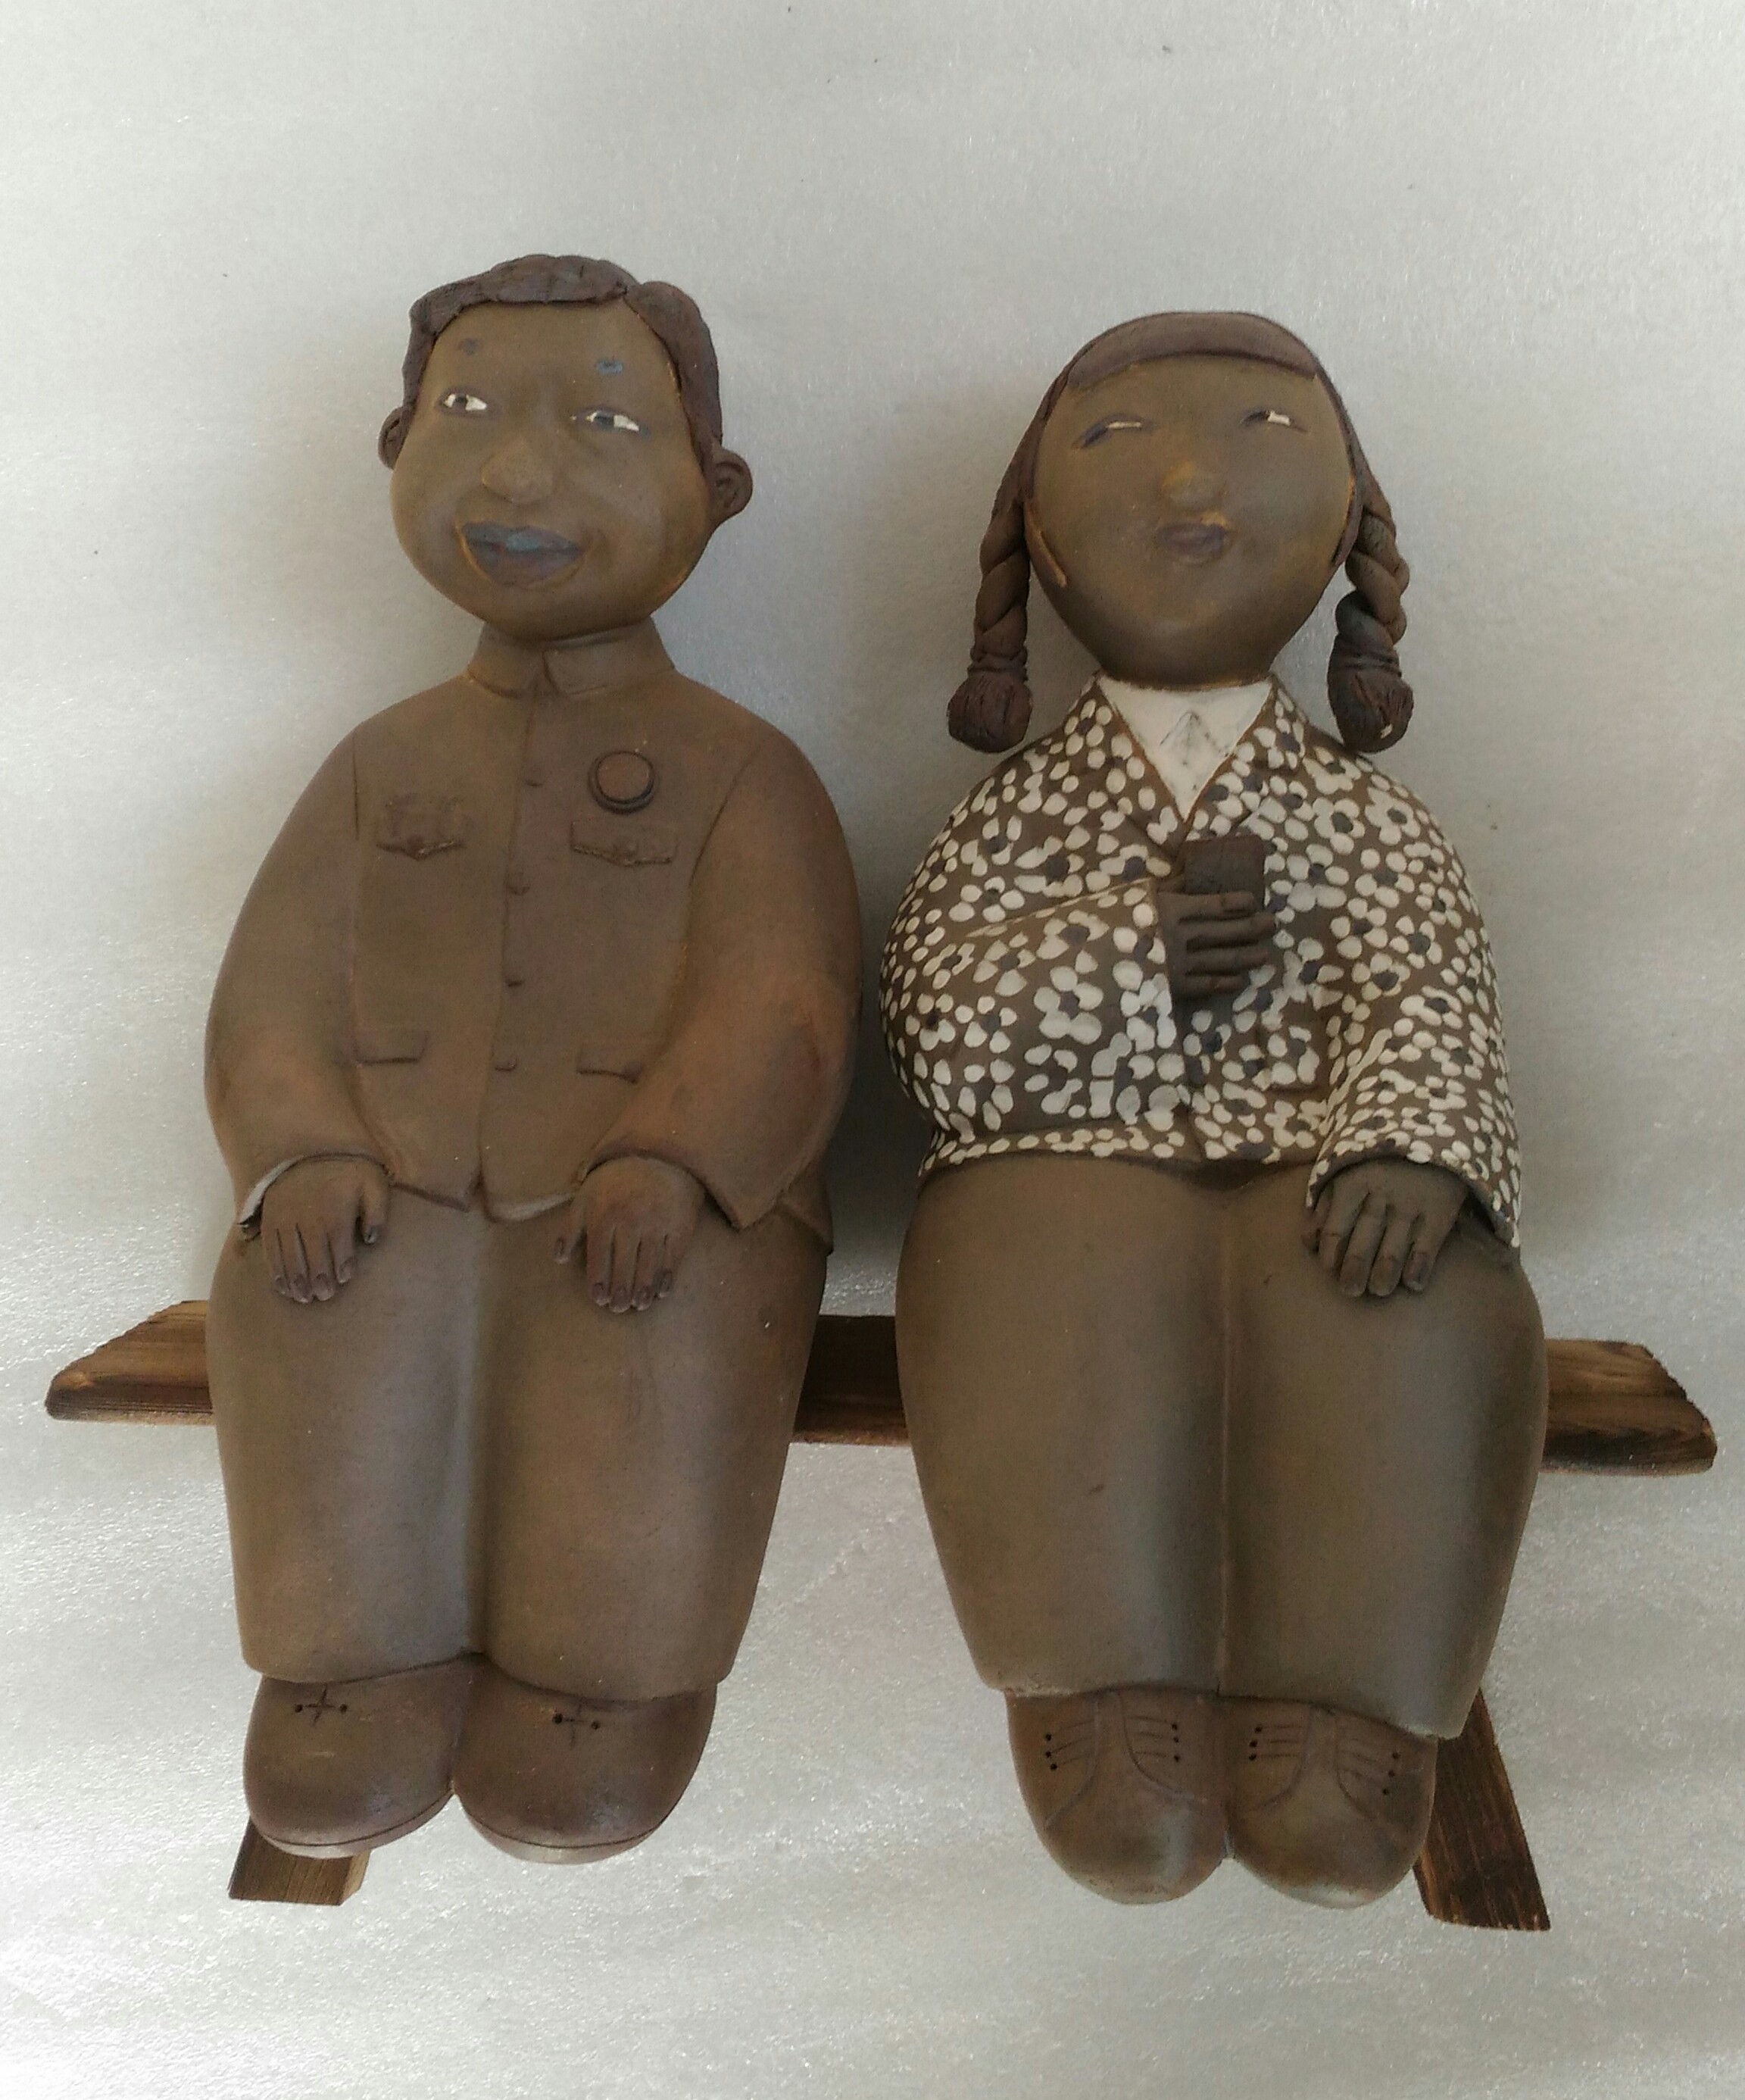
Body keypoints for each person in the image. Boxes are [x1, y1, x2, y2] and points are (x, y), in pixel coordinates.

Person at [882, 311, 1545, 1908]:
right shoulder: (1017, 821)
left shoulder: (1369, 821)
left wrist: (1410, 1147)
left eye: (1263, 439)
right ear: (1039, 539)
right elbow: (937, 1032)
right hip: (1065, 1176)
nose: (1191, 485)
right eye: (1120, 444)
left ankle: (1348, 1706)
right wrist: (1132, 947)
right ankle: (1101, 1688)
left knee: (1406, 1303)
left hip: (1327, 1173)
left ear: (1345, 530)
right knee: (1047, 1267)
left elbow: (1435, 995)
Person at [204, 255, 860, 1865]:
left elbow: (783, 999)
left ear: (715, 490)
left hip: (642, 1201)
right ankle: (350, 1659)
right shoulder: (381, 763)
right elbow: (272, 982)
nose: (517, 474)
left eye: (603, 426)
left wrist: (682, 1156)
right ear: (397, 448)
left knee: (644, 1345)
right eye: (472, 412)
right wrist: (299, 1143)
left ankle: (606, 1676)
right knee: (329, 1313)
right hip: (388, 1183)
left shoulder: (744, 771)